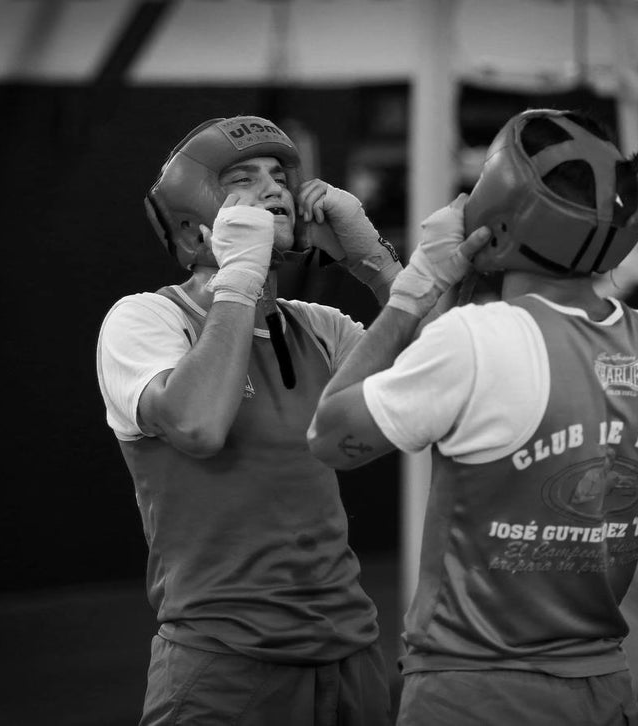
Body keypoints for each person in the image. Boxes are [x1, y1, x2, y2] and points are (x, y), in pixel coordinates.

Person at [307, 108, 638, 725]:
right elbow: (511, 370)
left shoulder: (476, 342)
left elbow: (329, 435)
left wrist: (414, 289)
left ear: (502, 209)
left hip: (476, 690)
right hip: (606, 690)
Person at [96, 115, 404, 725]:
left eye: (277, 177)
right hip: (225, 662)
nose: (275, 190)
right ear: (195, 228)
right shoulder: (146, 321)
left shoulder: (320, 326)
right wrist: (238, 273)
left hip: (352, 652)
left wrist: (378, 268)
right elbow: (198, 426)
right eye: (244, 179)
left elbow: (450, 385)